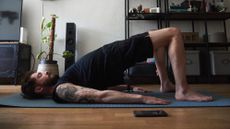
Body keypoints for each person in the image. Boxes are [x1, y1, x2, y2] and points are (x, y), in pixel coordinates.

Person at [21, 27, 213, 104]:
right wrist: (142, 99)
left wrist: (128, 87)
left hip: (111, 57)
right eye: (39, 76)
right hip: (112, 55)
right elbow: (98, 95)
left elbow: (96, 85)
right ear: (39, 88)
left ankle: (166, 84)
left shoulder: (62, 83)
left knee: (160, 38)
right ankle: (182, 90)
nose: (43, 72)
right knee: (173, 33)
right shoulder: (62, 90)